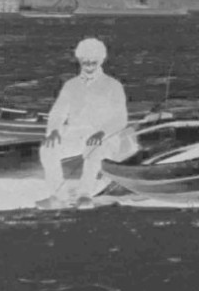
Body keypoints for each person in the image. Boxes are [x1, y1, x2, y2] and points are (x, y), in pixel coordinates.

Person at [37, 37, 132, 209]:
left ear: (102, 59)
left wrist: (101, 133)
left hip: (104, 138)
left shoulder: (113, 86)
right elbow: (57, 113)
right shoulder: (70, 85)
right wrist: (53, 131)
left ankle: (84, 194)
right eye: (85, 59)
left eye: (93, 59)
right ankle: (59, 196)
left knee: (93, 148)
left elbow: (121, 118)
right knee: (47, 148)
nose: (89, 63)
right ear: (79, 59)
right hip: (75, 136)